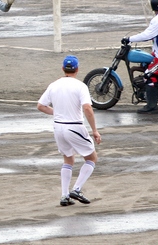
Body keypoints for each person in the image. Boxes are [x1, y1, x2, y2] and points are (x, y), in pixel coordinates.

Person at [37, 55, 101, 207]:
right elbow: (87, 108)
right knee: (91, 158)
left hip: (58, 127)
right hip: (74, 126)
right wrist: (95, 130)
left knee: (68, 159)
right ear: (77, 69)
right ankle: (77, 189)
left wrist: (58, 112)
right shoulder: (80, 86)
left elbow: (40, 105)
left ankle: (65, 196)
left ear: (62, 68)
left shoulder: (54, 85)